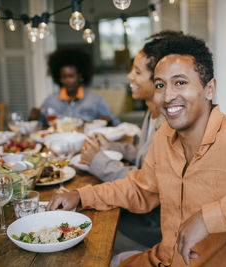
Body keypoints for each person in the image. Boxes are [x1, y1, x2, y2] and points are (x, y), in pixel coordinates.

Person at [47, 35, 226, 266]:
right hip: (161, 258)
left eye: (181, 83)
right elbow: (141, 189)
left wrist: (212, 218)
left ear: (209, 89)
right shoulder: (165, 135)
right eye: (160, 85)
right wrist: (80, 195)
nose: (168, 95)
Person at [80, 32, 183, 251]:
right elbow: (142, 154)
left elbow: (147, 186)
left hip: (155, 224)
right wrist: (112, 146)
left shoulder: (169, 123)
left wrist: (98, 161)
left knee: (92, 237)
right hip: (143, 211)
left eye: (137, 71)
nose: (129, 76)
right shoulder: (152, 111)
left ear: (158, 78)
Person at [40, 48, 120, 127]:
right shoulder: (51, 101)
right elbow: (40, 124)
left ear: (80, 76)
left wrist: (108, 120)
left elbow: (116, 122)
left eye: (71, 76)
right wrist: (33, 117)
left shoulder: (95, 100)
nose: (67, 80)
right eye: (63, 77)